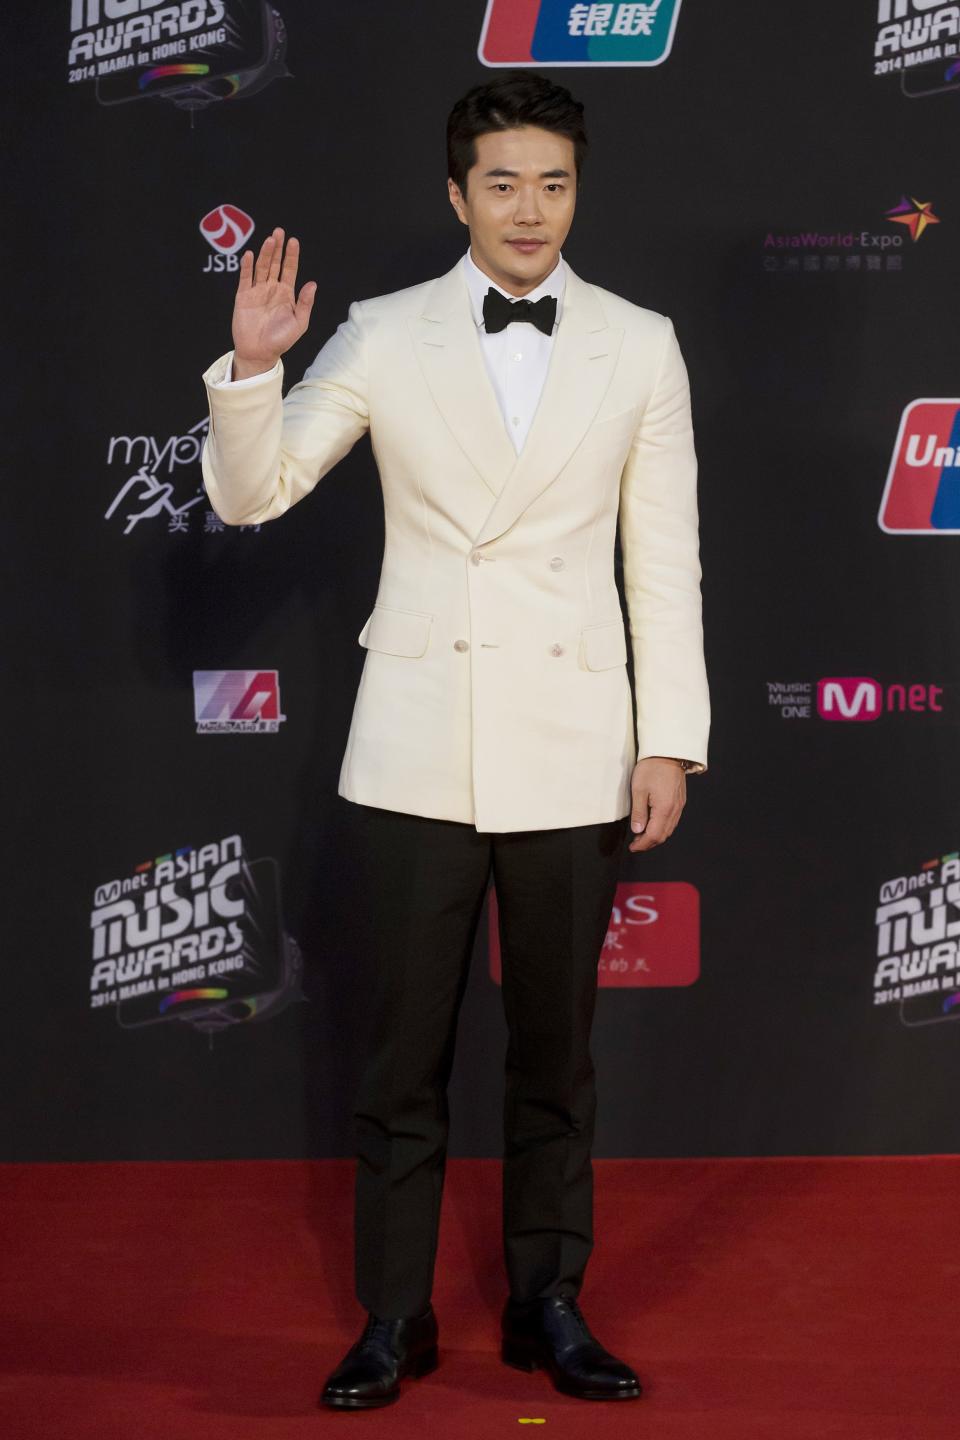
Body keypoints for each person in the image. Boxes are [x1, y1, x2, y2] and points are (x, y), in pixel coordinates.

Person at [200, 71, 709, 1409]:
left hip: (576, 738)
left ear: (576, 191)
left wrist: (673, 740)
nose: (529, 209)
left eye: (552, 182)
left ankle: (550, 1301)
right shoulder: (383, 333)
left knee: (558, 1052)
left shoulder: (638, 343)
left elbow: (665, 565)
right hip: (421, 740)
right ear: (455, 194)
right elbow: (257, 496)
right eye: (502, 183)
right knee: (402, 1054)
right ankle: (393, 1315)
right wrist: (254, 370)